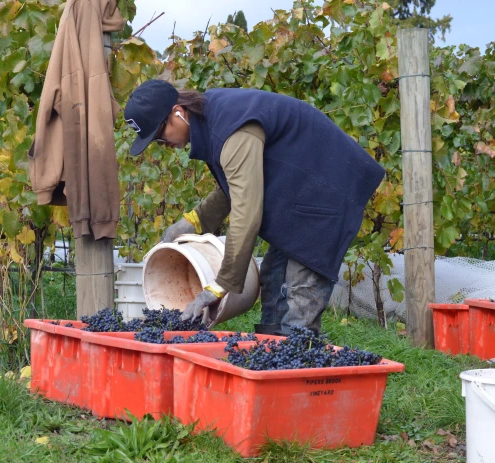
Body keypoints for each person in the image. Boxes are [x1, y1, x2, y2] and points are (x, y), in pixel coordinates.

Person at [123, 80, 385, 335]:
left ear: (177, 113)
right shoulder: (211, 117)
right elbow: (234, 184)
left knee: (299, 287)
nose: (164, 145)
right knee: (273, 277)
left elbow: (245, 213)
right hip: (300, 193)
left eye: (159, 136)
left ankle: (297, 361)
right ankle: (272, 355)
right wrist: (190, 223)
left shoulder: (231, 127)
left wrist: (219, 286)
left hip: (326, 190)